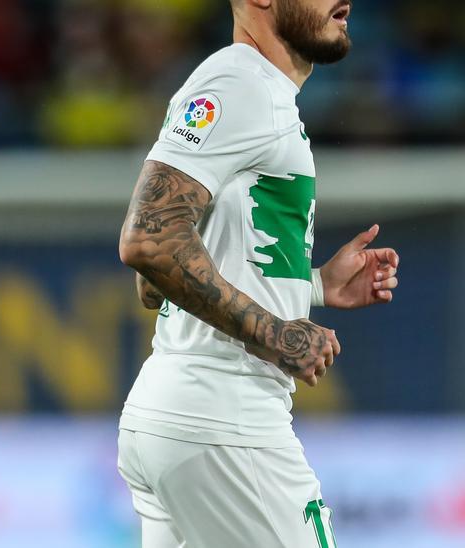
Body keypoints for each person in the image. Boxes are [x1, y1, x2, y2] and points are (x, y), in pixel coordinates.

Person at [115, 0, 399, 545]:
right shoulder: (240, 86)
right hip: (224, 420)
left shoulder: (247, 89)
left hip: (175, 416)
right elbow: (149, 241)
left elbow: (156, 281)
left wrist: (310, 286)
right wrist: (276, 334)